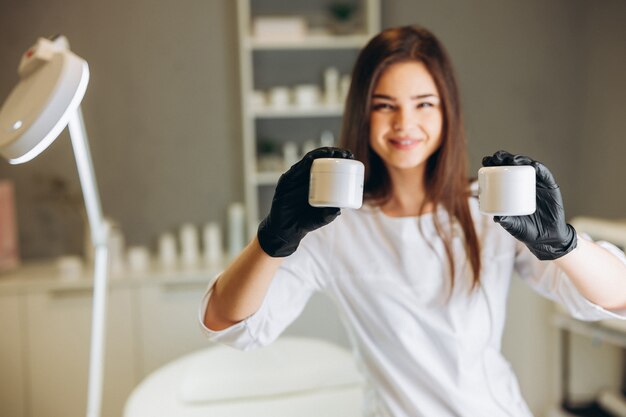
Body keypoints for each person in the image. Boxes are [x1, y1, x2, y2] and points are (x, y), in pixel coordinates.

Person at [199, 25, 626, 417]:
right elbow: (231, 325)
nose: (405, 124)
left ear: (447, 110)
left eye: (423, 104)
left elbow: (617, 297)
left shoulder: (491, 209)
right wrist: (272, 240)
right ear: (362, 114)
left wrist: (563, 243)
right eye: (385, 106)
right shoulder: (332, 225)